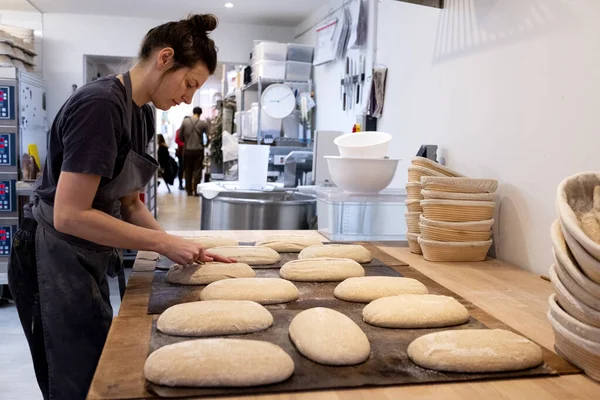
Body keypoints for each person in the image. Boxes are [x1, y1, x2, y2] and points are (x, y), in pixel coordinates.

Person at [8, 14, 233, 400]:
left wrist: (178, 247)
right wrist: (162, 246)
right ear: (165, 58)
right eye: (190, 84)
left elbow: (129, 204)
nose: (188, 98)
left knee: (98, 366)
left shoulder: (142, 112)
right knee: (76, 380)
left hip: (85, 253)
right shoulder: (99, 106)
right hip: (53, 255)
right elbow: (70, 214)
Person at [179, 107, 208, 196]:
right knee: (197, 170)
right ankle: (196, 190)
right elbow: (208, 136)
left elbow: (180, 136)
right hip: (198, 150)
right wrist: (205, 145)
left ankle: (189, 191)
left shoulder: (185, 122)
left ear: (193, 112)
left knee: (188, 170)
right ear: (200, 113)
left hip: (187, 149)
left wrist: (187, 141)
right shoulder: (203, 123)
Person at [174, 120, 187, 190]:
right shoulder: (179, 130)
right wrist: (184, 145)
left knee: (187, 169)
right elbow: (176, 140)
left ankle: (187, 185)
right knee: (181, 168)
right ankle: (180, 184)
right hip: (181, 152)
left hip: (187, 152)